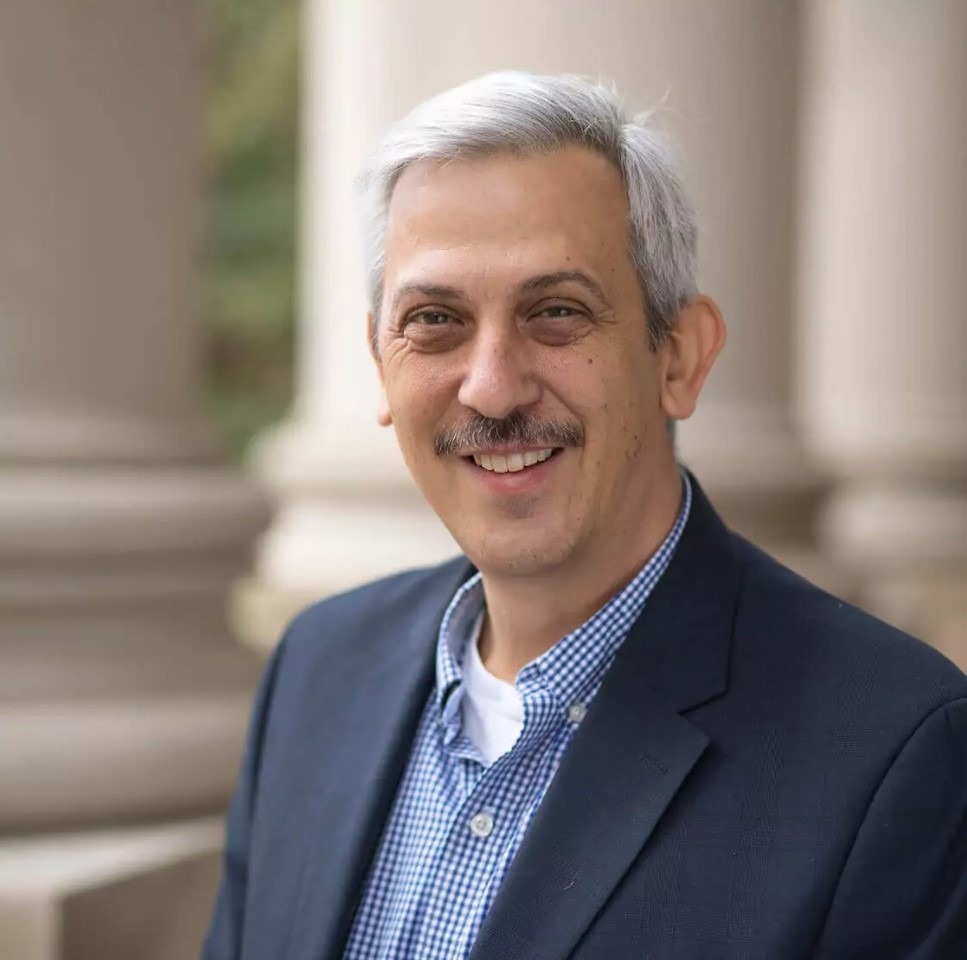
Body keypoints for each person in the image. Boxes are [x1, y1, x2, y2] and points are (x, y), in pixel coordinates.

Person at [202, 73, 967, 960]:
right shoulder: (318, 668)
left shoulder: (898, 754)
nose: (491, 386)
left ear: (679, 357)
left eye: (556, 313)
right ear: (381, 367)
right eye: (436, 320)